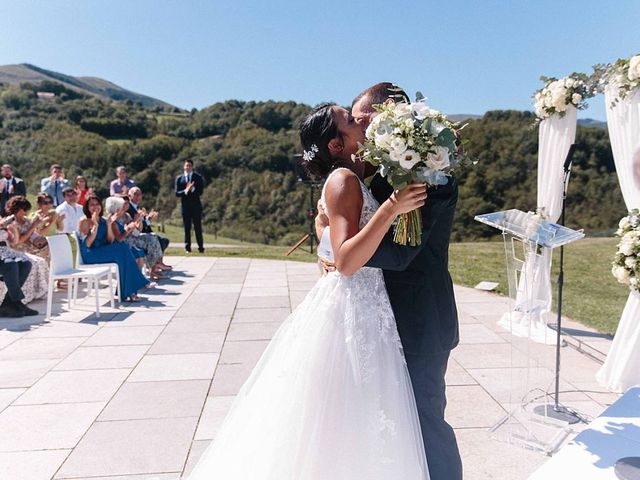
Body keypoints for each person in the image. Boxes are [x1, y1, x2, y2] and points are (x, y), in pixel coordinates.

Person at [186, 104, 429, 479]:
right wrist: (392, 208)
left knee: (360, 415)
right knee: (342, 413)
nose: (359, 120)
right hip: (353, 306)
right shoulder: (342, 180)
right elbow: (348, 262)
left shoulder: (354, 175)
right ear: (335, 144)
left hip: (369, 305)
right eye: (349, 119)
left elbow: (327, 230)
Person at [320, 82, 462, 480]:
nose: (362, 129)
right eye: (354, 121)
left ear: (391, 118)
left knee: (427, 427)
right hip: (375, 323)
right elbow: (337, 213)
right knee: (386, 427)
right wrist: (329, 238)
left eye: (362, 119)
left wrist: (343, 253)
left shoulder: (434, 177)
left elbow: (401, 253)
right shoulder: (368, 174)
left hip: (420, 323)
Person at [77, 194, 150, 302]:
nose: (95, 207)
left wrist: (109, 225)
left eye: (97, 204)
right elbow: (87, 244)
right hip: (90, 254)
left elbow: (110, 241)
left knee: (122, 253)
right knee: (122, 249)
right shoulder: (84, 221)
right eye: (92, 205)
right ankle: (132, 288)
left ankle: (127, 291)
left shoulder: (104, 220)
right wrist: (95, 226)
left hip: (103, 250)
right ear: (87, 207)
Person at [5, 196, 50, 303]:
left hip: (30, 248)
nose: (26, 212)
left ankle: (39, 289)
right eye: (24, 209)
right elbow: (18, 241)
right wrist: (33, 226)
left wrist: (42, 239)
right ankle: (26, 293)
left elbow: (33, 237)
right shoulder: (10, 222)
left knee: (47, 250)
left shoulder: (26, 221)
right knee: (35, 261)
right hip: (16, 249)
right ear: (18, 209)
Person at [0, 215, 37, 317]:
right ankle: (17, 302)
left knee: (25, 264)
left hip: (5, 252)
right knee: (10, 265)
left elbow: (14, 242)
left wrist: (14, 228)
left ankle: (7, 303)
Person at [128, 187, 172, 271]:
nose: (138, 196)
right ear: (129, 196)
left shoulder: (136, 207)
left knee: (164, 240)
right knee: (157, 239)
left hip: (141, 231)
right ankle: (156, 265)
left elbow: (141, 221)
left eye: (140, 194)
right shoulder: (129, 208)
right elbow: (135, 223)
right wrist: (148, 220)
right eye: (135, 194)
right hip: (135, 234)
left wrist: (148, 218)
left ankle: (158, 263)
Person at [175, 159, 204, 253]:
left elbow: (200, 192)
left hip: (196, 206)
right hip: (185, 206)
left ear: (192, 167)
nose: (188, 167)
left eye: (189, 166)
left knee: (197, 227)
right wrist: (185, 190)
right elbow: (177, 193)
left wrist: (193, 189)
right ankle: (187, 247)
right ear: (184, 167)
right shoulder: (179, 178)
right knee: (187, 227)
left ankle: (201, 247)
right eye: (186, 165)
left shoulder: (198, 177)